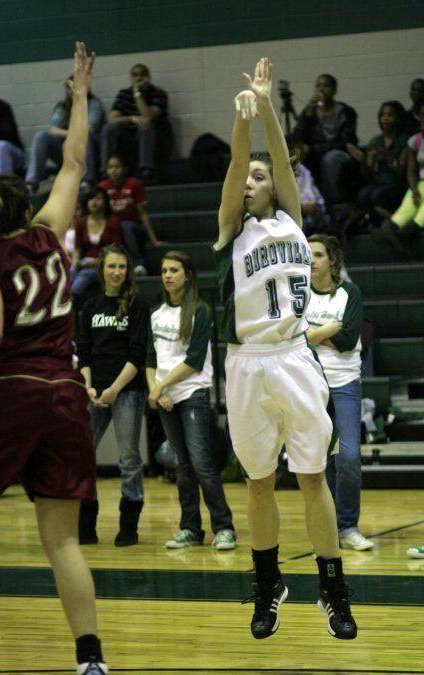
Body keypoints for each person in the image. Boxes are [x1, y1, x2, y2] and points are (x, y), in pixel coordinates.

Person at [0, 42, 109, 675]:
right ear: (25, 211)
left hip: (16, 391)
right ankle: (90, 660)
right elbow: (75, 161)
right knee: (61, 542)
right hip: (65, 397)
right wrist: (81, 95)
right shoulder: (51, 235)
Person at [214, 57, 357, 640]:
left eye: (258, 176)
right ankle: (268, 583)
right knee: (256, 482)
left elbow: (278, 158)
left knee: (313, 478)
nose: (249, 181)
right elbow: (236, 161)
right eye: (245, 178)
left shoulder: (294, 220)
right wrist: (242, 117)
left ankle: (333, 589)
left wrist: (267, 102)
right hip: (246, 363)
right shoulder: (231, 228)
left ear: (274, 183)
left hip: (295, 355)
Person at [146, 250, 236, 551]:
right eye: (164, 270)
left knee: (201, 462)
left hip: (192, 393)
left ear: (188, 275)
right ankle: (190, 528)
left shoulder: (199, 310)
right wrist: (157, 389)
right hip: (166, 395)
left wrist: (162, 387)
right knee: (181, 464)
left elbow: (195, 360)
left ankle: (224, 527)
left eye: (174, 270)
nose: (168, 275)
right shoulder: (156, 314)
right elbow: (149, 358)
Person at [76, 243, 149, 546]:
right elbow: (84, 353)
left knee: (129, 459)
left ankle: (128, 527)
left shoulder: (137, 304)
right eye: (112, 266)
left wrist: (115, 389)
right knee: (82, 457)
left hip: (127, 391)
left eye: (122, 267)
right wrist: (89, 387)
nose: (117, 272)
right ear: (101, 270)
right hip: (94, 392)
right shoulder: (90, 306)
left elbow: (137, 353)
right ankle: (86, 526)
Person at [306, 234, 373, 552]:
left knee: (347, 458)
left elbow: (348, 340)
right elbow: (292, 338)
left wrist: (311, 335)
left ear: (332, 261)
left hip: (344, 385)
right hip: (308, 384)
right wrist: (323, 332)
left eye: (317, 254)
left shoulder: (350, 293)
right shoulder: (298, 294)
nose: (312, 259)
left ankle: (347, 526)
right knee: (321, 461)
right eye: (307, 253)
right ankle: (330, 526)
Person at [25, 76, 105, 193]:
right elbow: (53, 129)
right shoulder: (63, 106)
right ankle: (32, 182)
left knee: (85, 137)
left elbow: (89, 128)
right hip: (68, 151)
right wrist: (70, 135)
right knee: (41, 136)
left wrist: (74, 136)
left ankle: (87, 180)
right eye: (69, 88)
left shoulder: (94, 104)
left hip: (90, 152)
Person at [293, 73, 358, 207]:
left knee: (330, 159)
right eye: (318, 86)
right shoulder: (311, 111)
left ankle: (334, 204)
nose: (321, 89)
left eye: (326, 86)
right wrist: (306, 115)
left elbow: (345, 141)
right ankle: (306, 203)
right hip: (317, 153)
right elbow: (297, 136)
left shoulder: (345, 112)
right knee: (297, 158)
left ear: (334, 91)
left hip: (339, 152)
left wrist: (315, 148)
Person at [100, 63, 173, 180]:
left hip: (156, 140)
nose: (139, 78)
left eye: (142, 75)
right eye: (135, 75)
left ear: (149, 78)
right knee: (109, 128)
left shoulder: (159, 94)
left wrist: (137, 94)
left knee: (145, 124)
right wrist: (132, 118)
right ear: (130, 78)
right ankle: (106, 171)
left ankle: (146, 170)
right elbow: (112, 119)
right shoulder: (123, 94)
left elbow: (147, 115)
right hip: (131, 140)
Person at [374, 103, 424, 258]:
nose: (422, 118)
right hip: (421, 184)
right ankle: (394, 240)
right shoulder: (415, 140)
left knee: (418, 219)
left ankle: (400, 244)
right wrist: (414, 189)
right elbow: (410, 170)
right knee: (396, 220)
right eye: (421, 115)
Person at [98, 154, 160, 274]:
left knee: (125, 225)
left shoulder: (134, 184)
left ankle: (139, 264)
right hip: (112, 229)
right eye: (110, 167)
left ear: (125, 169)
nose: (114, 170)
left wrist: (154, 240)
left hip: (133, 229)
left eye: (117, 167)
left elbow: (142, 214)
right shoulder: (102, 187)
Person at [351, 101, 408, 214]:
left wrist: (386, 155)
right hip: (380, 182)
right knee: (363, 195)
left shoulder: (404, 139)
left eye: (389, 115)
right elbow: (369, 176)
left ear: (397, 118)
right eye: (383, 115)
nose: (385, 118)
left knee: (378, 196)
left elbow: (401, 172)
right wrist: (363, 160)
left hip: (397, 183)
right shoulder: (375, 141)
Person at [71, 186, 122, 296]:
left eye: (98, 198)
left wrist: (95, 262)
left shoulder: (113, 222)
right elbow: (77, 248)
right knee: (70, 271)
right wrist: (75, 260)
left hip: (106, 263)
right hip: (85, 262)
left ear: (105, 202)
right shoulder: (81, 223)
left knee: (84, 275)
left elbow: (115, 251)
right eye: (91, 199)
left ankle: (72, 295)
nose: (94, 202)